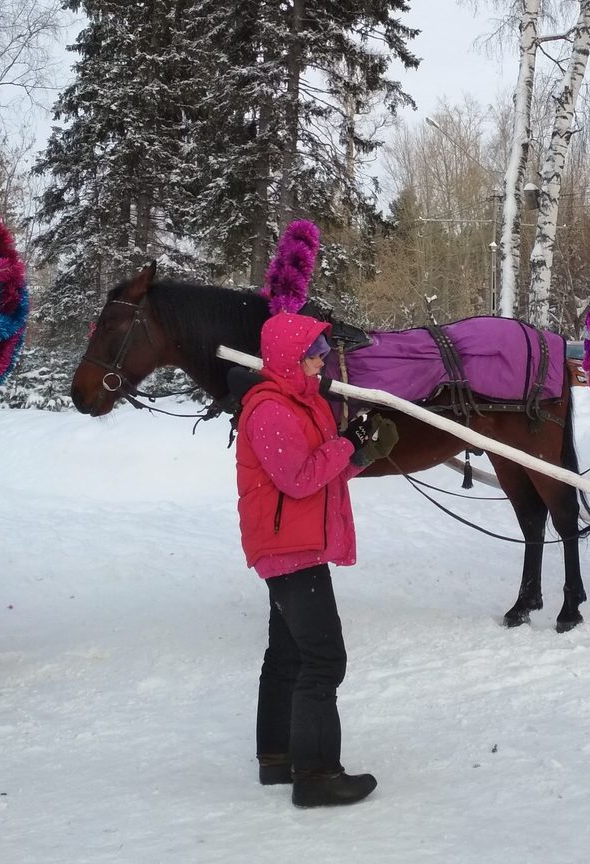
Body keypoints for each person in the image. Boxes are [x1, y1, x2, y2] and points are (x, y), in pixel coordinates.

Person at [235, 310, 399, 808]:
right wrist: (348, 443)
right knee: (324, 658)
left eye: (324, 353)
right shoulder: (270, 409)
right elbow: (299, 479)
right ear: (289, 357)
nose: (322, 363)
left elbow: (319, 476)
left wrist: (358, 456)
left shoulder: (301, 404)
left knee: (287, 654)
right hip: (290, 550)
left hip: (296, 542)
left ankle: (278, 757)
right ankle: (317, 774)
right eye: (315, 354)